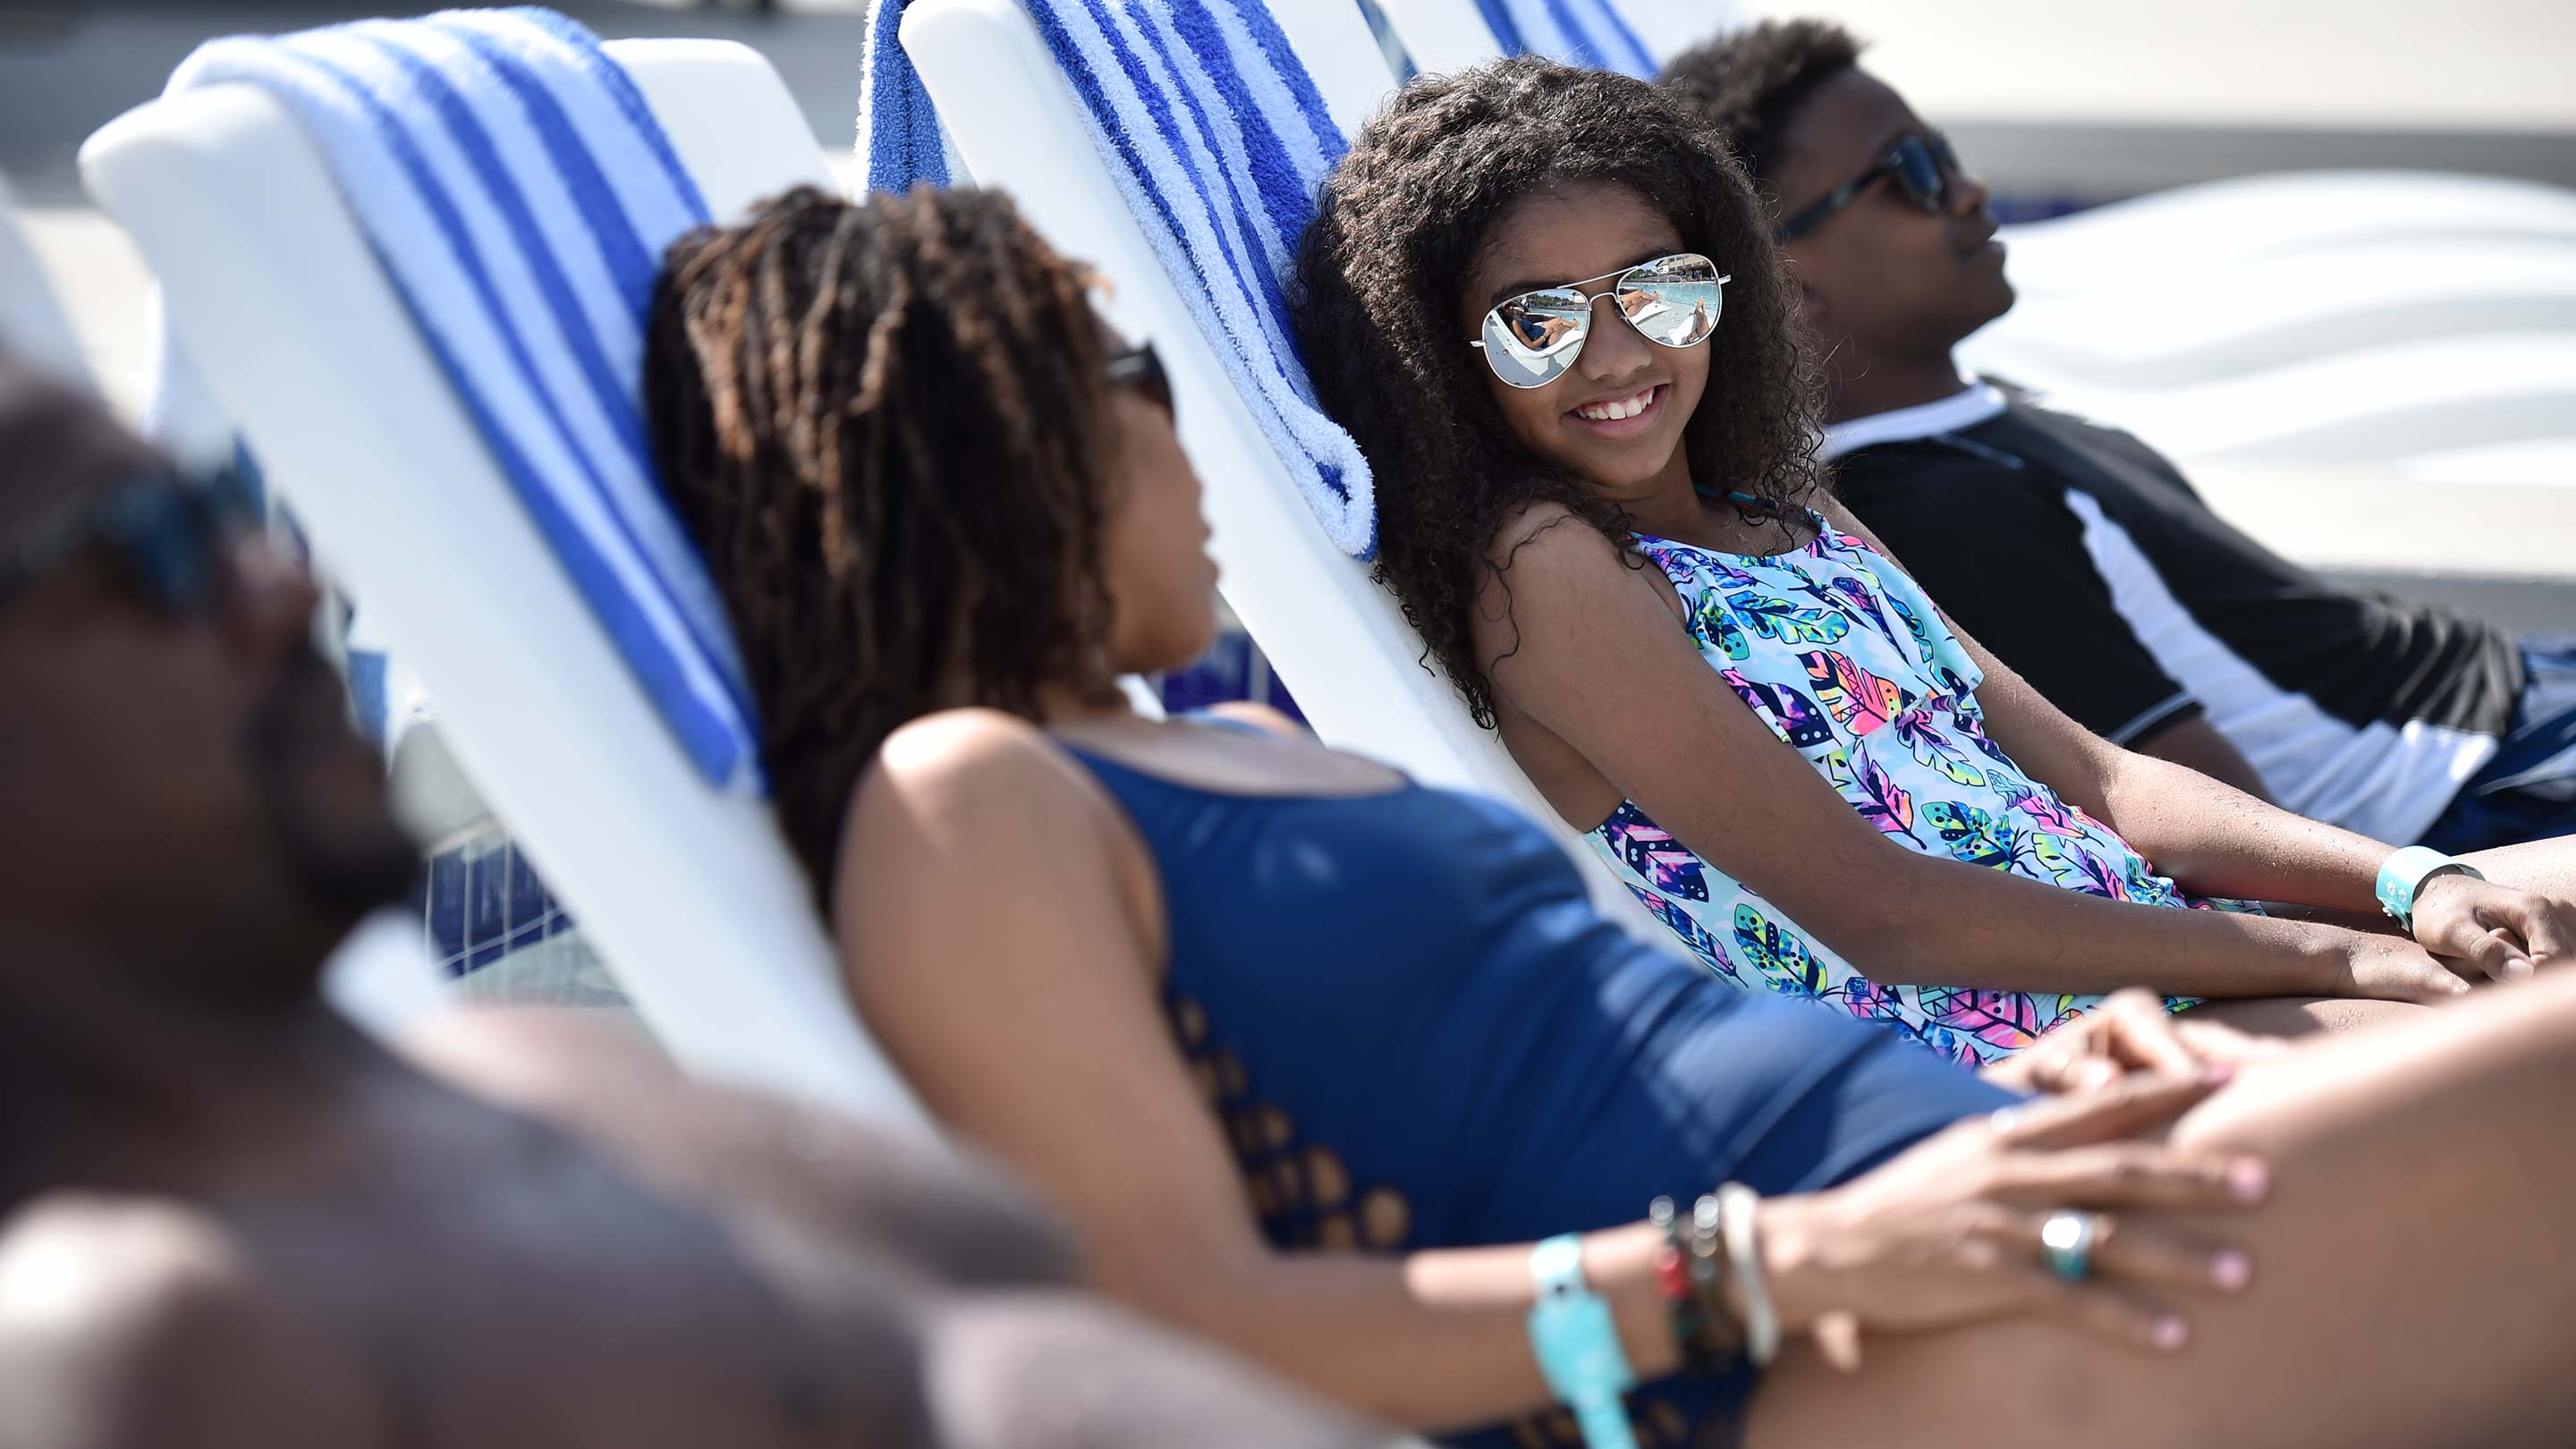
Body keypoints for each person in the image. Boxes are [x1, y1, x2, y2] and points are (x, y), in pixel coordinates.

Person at [644, 179, 2576, 1449]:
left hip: (1971, 1181)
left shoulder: (1187, 754)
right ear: (1012, 445)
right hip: (1821, 1335)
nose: (1203, 444)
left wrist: (2008, 1112)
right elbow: (1179, 1319)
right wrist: (1793, 1261)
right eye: (1138, 379)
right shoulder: (965, 796)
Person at [0, 356, 1386, 1449]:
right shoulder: (145, 1332)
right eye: (142, 558)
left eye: (219, 513)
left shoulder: (512, 1070)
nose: (281, 583)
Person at [1288, 56, 2576, 1060]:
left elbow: (2108, 783)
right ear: (1437, 364)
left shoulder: (1790, 513)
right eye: (1537, 322)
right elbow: (1881, 913)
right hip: (2041, 1058)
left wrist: (2413, 885)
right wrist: (2330, 957)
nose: (1618, 356)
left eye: (1658, 289)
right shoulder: (1548, 565)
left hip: (2179, 965)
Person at [1658, 19, 2576, 856]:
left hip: (2510, 701)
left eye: (1943, 154)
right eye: (1912, 174)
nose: (1968, 191)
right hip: (2482, 784)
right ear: (1787, 283)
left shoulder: (1969, 420)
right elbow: (2223, 829)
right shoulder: (1942, 511)